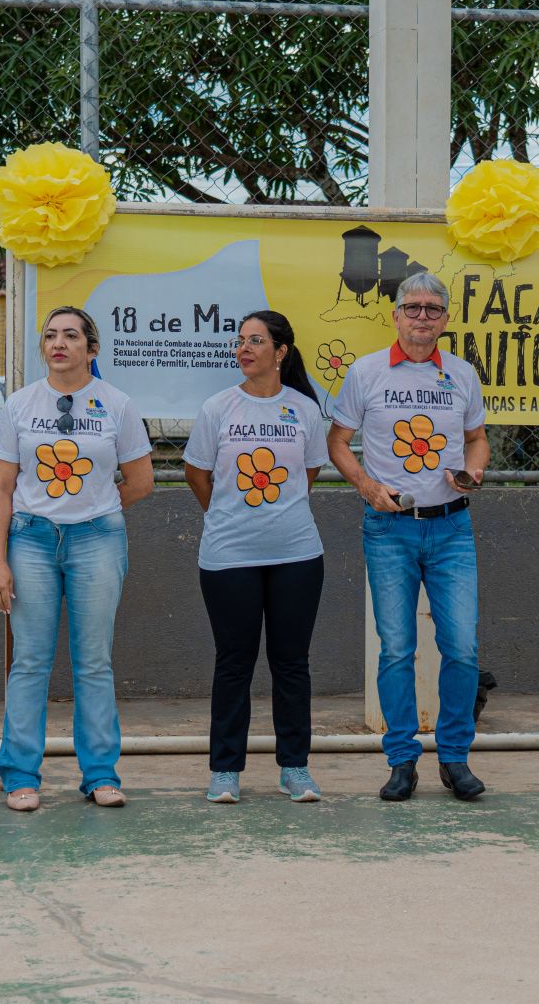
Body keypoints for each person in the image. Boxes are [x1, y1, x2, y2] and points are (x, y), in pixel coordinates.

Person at [326, 272, 489, 802]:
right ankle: (401, 760)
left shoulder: (462, 373)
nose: (422, 316)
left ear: (445, 319)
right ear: (395, 314)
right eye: (413, 307)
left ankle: (455, 759)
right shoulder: (366, 371)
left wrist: (475, 472)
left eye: (432, 309)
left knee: (461, 648)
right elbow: (338, 441)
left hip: (452, 528)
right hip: (388, 528)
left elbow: (477, 438)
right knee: (396, 649)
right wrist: (367, 486)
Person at [0, 306, 154, 812]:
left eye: (72, 335)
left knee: (94, 661)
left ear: (91, 349)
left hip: (97, 540)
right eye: (51, 335)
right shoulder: (19, 405)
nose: (59, 343)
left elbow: (141, 481)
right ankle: (20, 775)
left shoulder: (117, 405)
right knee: (31, 660)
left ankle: (100, 774)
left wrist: (95, 509)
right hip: (31, 539)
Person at [183, 310, 328, 804]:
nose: (244, 348)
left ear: (281, 352)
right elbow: (198, 474)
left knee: (291, 664)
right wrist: (231, 516)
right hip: (228, 557)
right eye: (240, 340)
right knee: (234, 663)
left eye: (256, 341)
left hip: (297, 555)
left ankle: (295, 769)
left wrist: (273, 517)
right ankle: (225, 771)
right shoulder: (217, 408)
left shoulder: (305, 410)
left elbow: (306, 477)